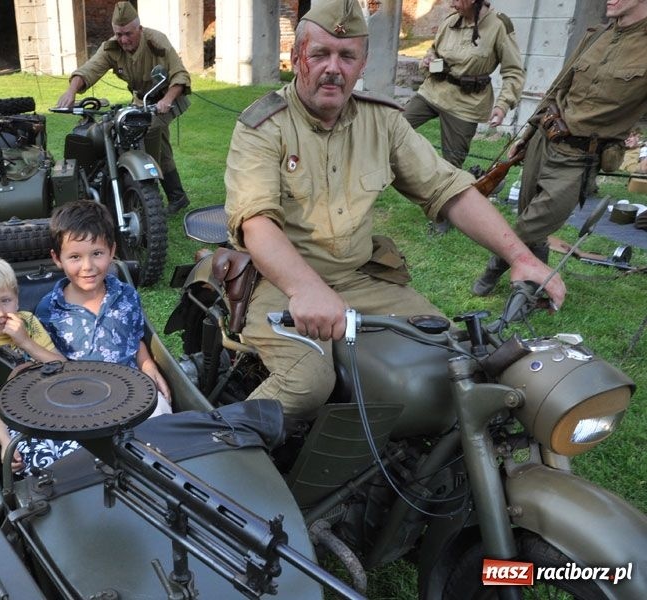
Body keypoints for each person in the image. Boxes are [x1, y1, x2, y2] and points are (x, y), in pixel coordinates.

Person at [223, 0, 565, 421]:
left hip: (356, 278)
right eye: (320, 54)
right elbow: (257, 222)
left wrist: (520, 257)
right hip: (278, 280)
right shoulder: (263, 126)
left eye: (347, 56)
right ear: (296, 59)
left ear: (362, 64)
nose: (334, 68)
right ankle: (221, 440)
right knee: (306, 381)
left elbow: (448, 189)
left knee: (451, 354)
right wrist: (305, 288)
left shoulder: (381, 120)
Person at [471, 0, 647, 296]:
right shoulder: (595, 35)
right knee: (530, 216)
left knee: (532, 223)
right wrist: (527, 135)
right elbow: (557, 88)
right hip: (544, 138)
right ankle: (531, 285)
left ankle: (495, 267)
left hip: (580, 156)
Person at [36, 200, 172, 417]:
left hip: (131, 390)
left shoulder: (126, 296)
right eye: (75, 257)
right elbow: (46, 361)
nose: (88, 266)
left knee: (162, 417)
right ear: (57, 258)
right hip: (79, 401)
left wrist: (148, 365)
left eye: (97, 253)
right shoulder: (49, 309)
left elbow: (135, 339)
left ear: (112, 251)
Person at [55, 1, 192, 214]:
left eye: (128, 33)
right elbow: (90, 69)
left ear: (140, 28)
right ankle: (174, 196)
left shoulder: (156, 41)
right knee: (132, 134)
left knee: (149, 132)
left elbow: (179, 73)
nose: (124, 39)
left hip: (167, 98)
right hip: (141, 100)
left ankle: (148, 190)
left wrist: (167, 99)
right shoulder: (112, 48)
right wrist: (71, 91)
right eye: (119, 34)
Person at [405, 0, 525, 234]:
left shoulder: (499, 25)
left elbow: (513, 71)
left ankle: (444, 215)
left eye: (456, 0)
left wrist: (503, 105)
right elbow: (434, 50)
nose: (451, 4)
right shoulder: (451, 21)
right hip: (433, 91)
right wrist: (428, 59)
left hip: (465, 104)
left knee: (452, 164)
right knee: (395, 127)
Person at [0, 253, 77, 475]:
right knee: (42, 465)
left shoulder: (27, 322)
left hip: (54, 404)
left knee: (83, 451)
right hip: (12, 421)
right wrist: (5, 441)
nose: (0, 313)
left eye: (6, 301)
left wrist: (25, 342)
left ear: (16, 299)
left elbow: (62, 365)